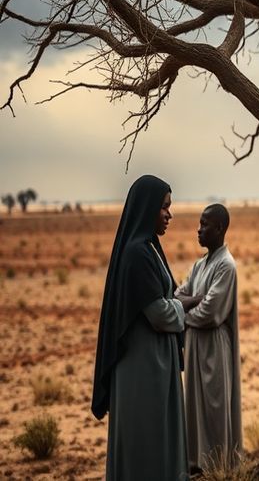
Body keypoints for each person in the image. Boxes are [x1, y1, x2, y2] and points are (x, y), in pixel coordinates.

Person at [91, 175, 187, 480]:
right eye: (164, 208)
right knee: (145, 441)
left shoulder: (147, 249)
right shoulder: (137, 254)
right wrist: (183, 305)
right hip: (142, 370)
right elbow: (159, 312)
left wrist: (172, 301)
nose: (169, 214)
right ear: (147, 209)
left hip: (151, 365)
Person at [176, 204, 242, 472]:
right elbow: (178, 295)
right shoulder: (200, 264)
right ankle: (197, 465)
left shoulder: (226, 266)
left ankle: (219, 468)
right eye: (199, 224)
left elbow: (210, 313)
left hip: (215, 347)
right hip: (195, 346)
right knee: (195, 407)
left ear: (220, 228)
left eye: (205, 225)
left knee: (215, 409)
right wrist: (188, 303)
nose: (199, 230)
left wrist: (182, 314)